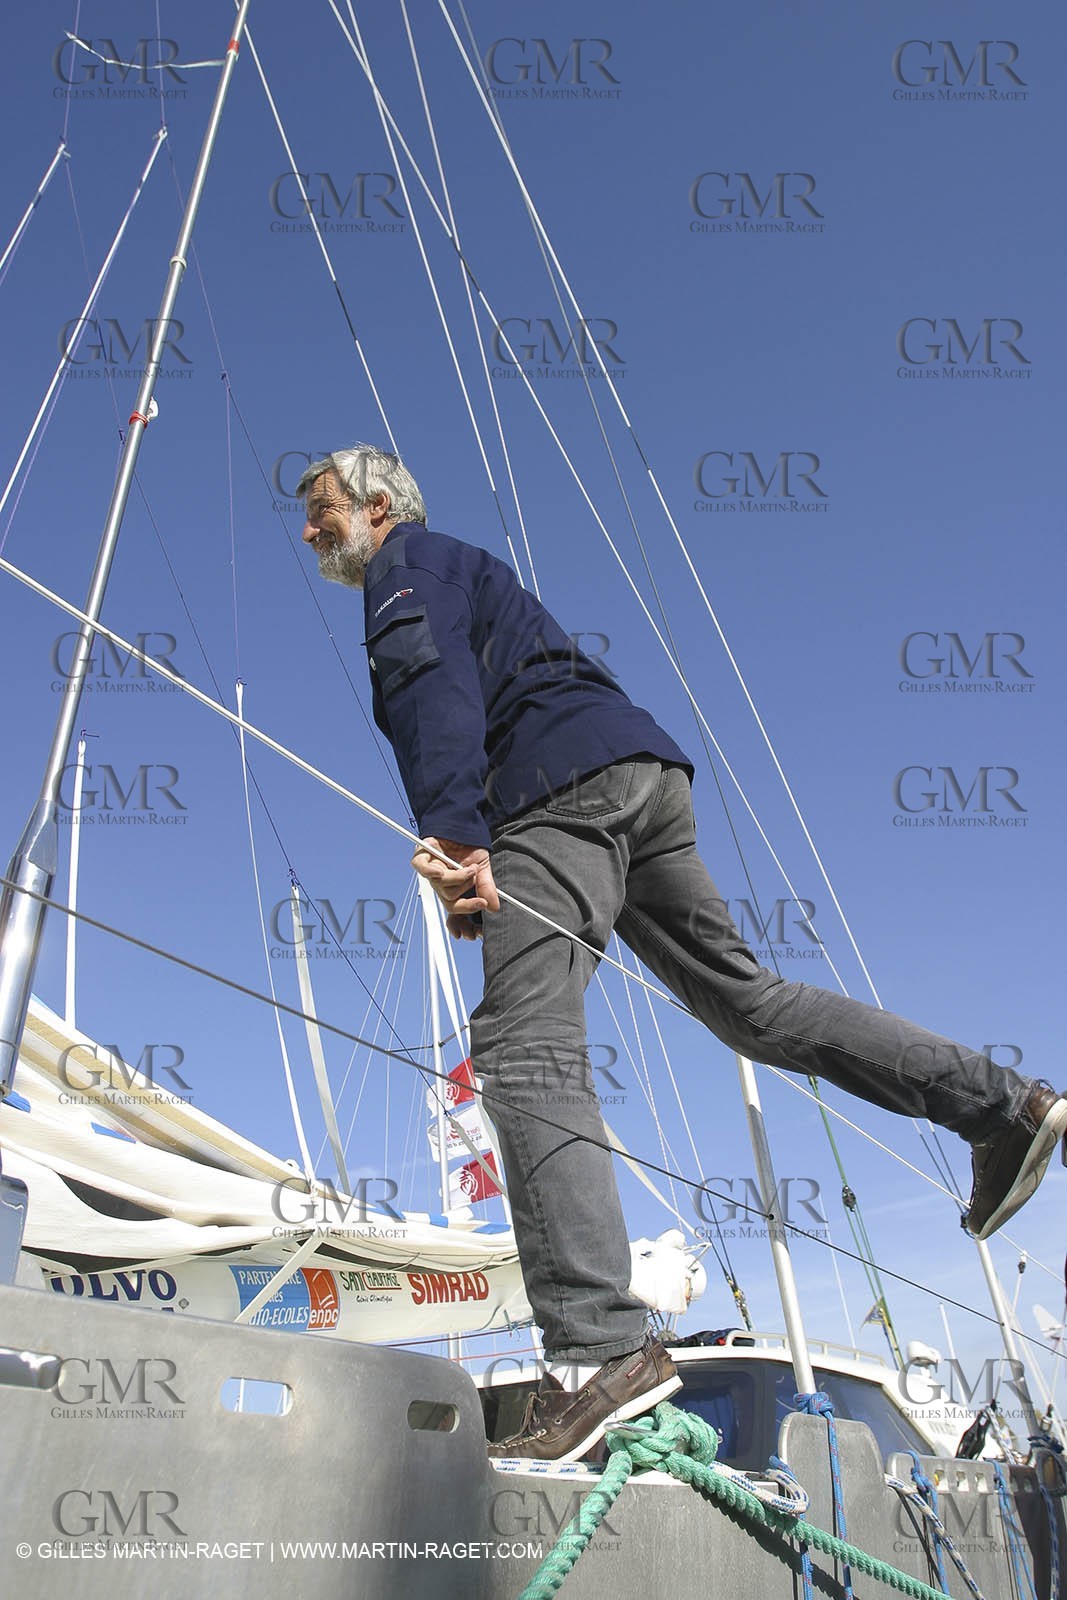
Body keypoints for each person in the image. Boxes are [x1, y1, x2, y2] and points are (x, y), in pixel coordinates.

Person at [300, 443, 1066, 1462]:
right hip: (639, 776)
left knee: (524, 1042)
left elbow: (425, 679)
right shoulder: (467, 568)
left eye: (320, 511)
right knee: (747, 1004)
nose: (310, 532)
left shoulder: (409, 564)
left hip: (551, 792)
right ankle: (997, 1105)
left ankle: (597, 1350)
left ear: (376, 504)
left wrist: (455, 829)